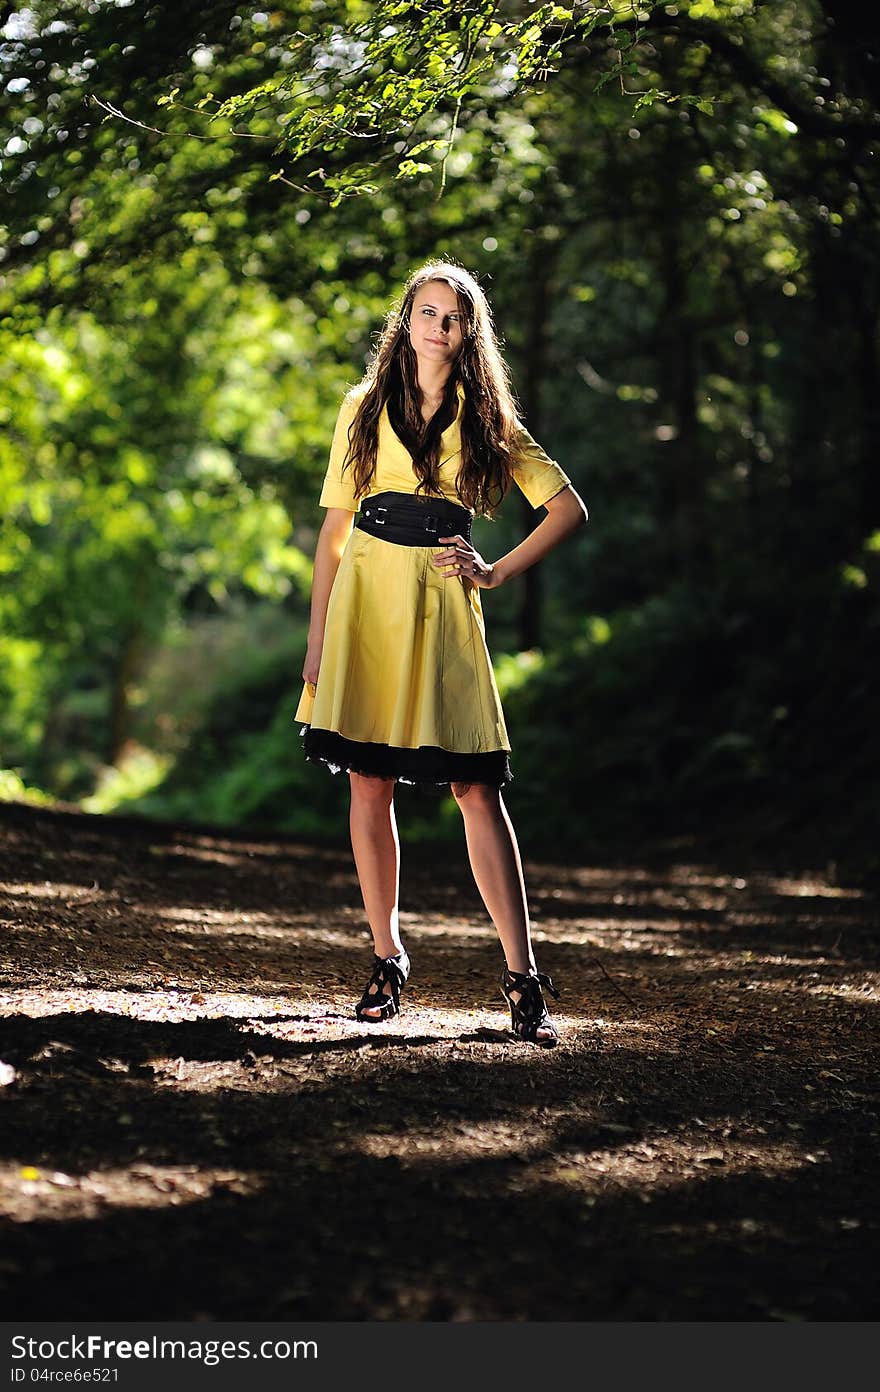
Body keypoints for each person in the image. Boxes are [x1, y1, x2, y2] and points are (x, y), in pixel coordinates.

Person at [295, 259, 588, 1045]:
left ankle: (523, 975)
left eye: (453, 317)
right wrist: (318, 636)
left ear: (469, 333)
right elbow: (332, 534)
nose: (438, 326)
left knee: (474, 787)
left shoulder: (489, 420)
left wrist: (494, 572)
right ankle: (387, 957)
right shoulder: (361, 409)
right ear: (406, 321)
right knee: (368, 780)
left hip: (441, 605)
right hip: (363, 605)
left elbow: (566, 509)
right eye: (426, 312)